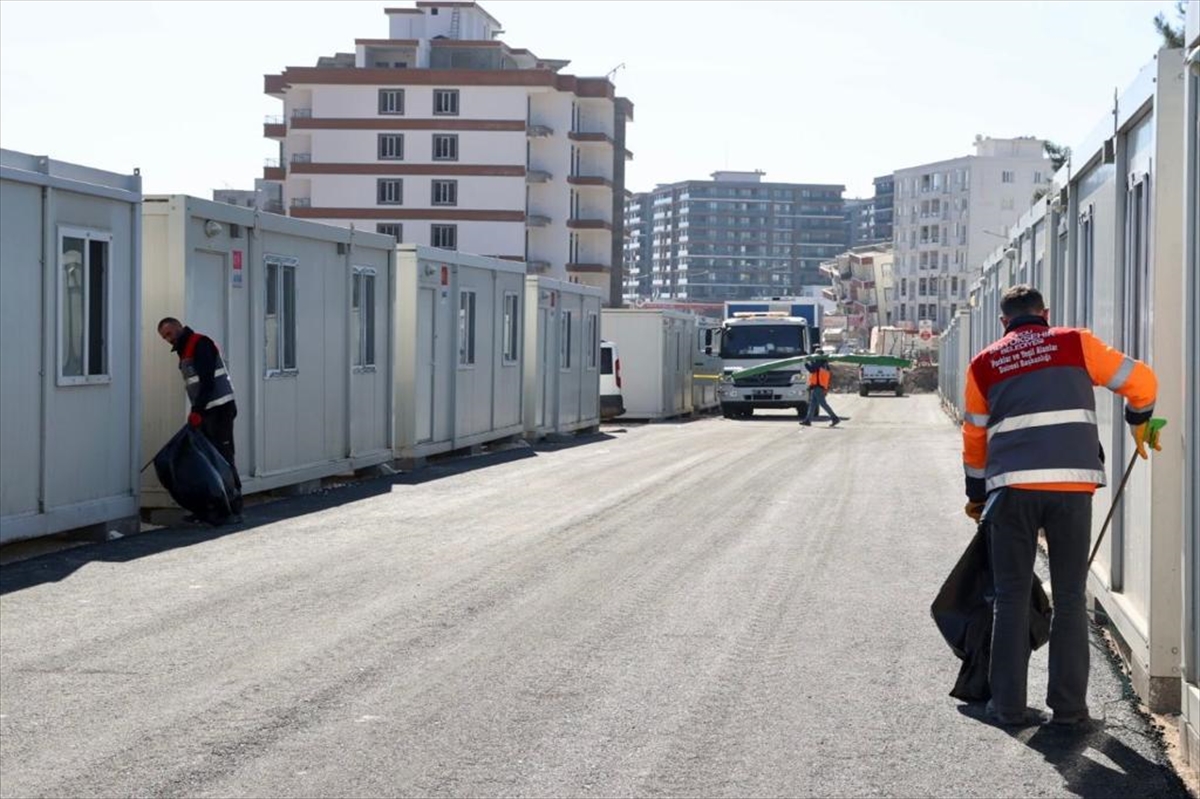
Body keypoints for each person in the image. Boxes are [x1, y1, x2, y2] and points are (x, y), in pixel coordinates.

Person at [961, 285, 1158, 727]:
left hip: (1010, 491)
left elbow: (974, 438)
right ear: (1044, 314)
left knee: (1010, 598)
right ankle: (1070, 711)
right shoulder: (1075, 343)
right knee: (1069, 596)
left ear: (1002, 322)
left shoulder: (984, 363)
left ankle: (1007, 708)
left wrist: (977, 496)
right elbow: (1142, 382)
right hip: (1072, 487)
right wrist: (1139, 419)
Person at [157, 317, 243, 523]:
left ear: (179, 327)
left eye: (169, 333)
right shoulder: (184, 348)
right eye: (164, 337)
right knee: (211, 457)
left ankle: (234, 507)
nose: (167, 339)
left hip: (220, 409)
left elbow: (207, 381)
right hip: (208, 411)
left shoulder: (199, 343)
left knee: (223, 456)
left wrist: (197, 410)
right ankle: (213, 505)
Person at [801, 345, 840, 427]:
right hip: (819, 386)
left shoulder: (819, 363)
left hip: (818, 386)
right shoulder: (824, 363)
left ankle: (834, 418)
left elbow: (812, 370)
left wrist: (805, 362)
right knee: (812, 404)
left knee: (823, 404)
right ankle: (808, 420)